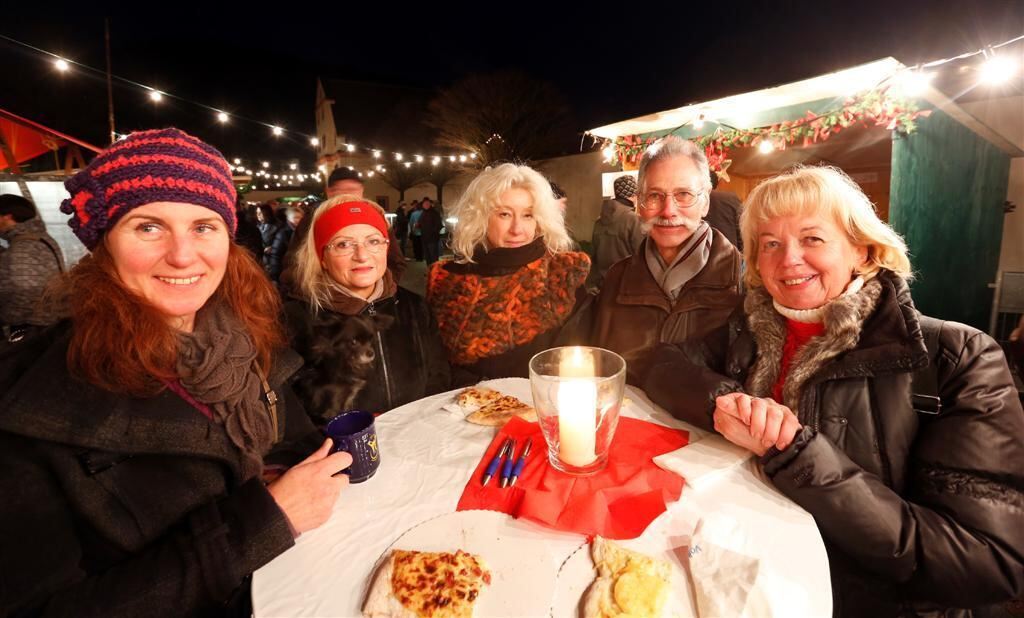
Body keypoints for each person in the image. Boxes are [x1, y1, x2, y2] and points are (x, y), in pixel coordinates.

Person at [642, 165, 1024, 616]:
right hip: (747, 579)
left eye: (812, 238)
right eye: (770, 244)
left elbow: (986, 562)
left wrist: (796, 453)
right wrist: (724, 402)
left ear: (862, 250)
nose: (789, 259)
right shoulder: (747, 329)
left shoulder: (957, 356)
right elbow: (660, 364)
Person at [0, 128, 352, 616]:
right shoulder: (33, 406)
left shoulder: (244, 340)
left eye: (203, 227)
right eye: (149, 227)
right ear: (103, 243)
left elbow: (294, 445)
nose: (183, 255)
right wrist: (264, 521)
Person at [581, 136, 742, 383]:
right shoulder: (617, 278)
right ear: (639, 203)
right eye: (655, 195)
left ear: (705, 202)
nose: (668, 211)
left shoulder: (744, 279)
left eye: (684, 194)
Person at [283, 196, 450, 420]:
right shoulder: (294, 320)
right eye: (343, 244)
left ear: (386, 247)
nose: (362, 255)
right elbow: (290, 411)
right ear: (322, 257)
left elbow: (438, 378)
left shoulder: (414, 306)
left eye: (373, 241)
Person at [427, 163, 590, 381]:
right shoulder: (447, 280)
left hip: (541, 399)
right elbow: (436, 366)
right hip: (464, 400)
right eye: (504, 214)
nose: (517, 229)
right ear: (481, 217)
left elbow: (576, 364)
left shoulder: (561, 277)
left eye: (528, 215)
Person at [0, 194, 66, 336]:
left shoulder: (24, 245)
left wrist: (10, 317)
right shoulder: (38, 238)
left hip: (32, 328)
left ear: (7, 217)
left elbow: (25, 289)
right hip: (49, 323)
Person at [586, 174, 644, 290]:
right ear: (634, 195)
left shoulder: (599, 221)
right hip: (627, 286)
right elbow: (642, 256)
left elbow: (594, 256)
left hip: (603, 286)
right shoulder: (633, 220)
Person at [706, 169, 743, 251]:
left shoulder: (693, 200)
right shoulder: (731, 198)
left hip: (701, 253)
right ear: (716, 183)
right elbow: (742, 229)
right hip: (729, 251)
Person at [267, 207, 303, 285]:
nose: (299, 220)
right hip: (286, 271)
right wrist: (275, 276)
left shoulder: (304, 231)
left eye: (300, 217)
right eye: (296, 217)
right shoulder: (283, 234)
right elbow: (276, 255)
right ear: (289, 219)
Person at [418, 196, 443, 266]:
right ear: (422, 205)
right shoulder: (423, 213)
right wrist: (418, 225)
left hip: (432, 239)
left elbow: (439, 225)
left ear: (430, 204)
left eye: (427, 203)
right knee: (427, 256)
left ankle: (435, 270)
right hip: (424, 238)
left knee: (433, 256)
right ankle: (429, 269)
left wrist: (433, 233)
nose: (426, 205)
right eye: (424, 204)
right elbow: (421, 223)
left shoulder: (434, 213)